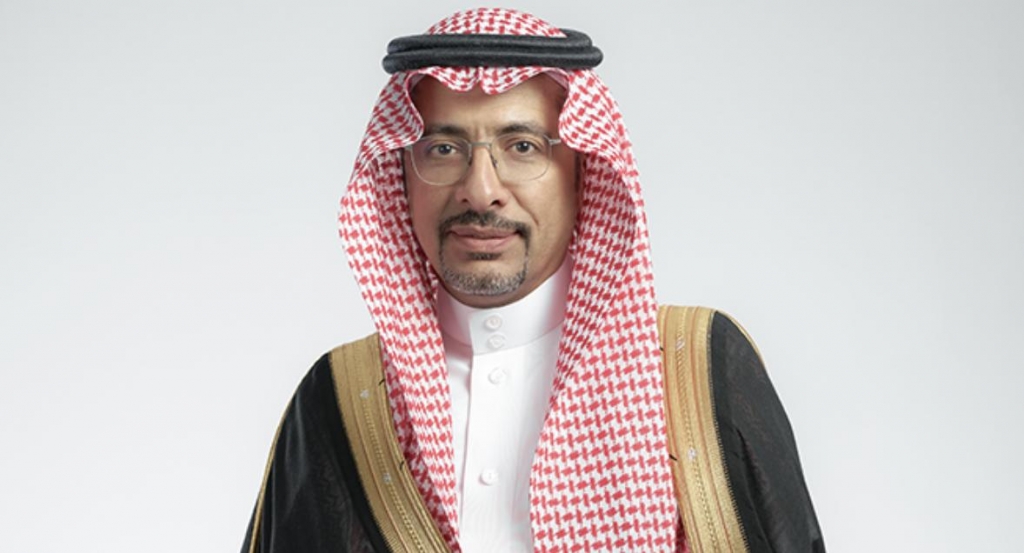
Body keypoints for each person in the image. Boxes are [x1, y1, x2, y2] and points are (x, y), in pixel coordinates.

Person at [242, 8, 824, 553]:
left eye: (522, 147)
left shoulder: (695, 367)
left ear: (583, 172)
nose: (480, 190)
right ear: (401, 176)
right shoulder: (341, 399)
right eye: (443, 149)